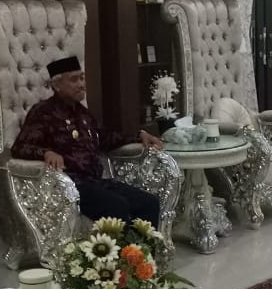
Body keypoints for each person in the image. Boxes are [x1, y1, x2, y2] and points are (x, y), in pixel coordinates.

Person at [11, 56, 163, 225]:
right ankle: (119, 243)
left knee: (149, 203)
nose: (81, 84)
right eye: (74, 80)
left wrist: (139, 135)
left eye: (82, 78)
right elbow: (20, 147)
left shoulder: (84, 114)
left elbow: (106, 138)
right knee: (116, 205)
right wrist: (46, 153)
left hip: (95, 182)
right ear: (57, 85)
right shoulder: (43, 112)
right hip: (70, 186)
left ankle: (143, 243)